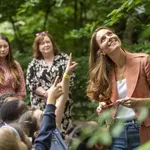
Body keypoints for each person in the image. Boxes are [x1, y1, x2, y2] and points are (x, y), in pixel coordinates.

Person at [87, 26, 150, 150]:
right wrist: (102, 107)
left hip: (142, 129)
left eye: (110, 34)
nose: (109, 38)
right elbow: (106, 104)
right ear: (102, 51)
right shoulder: (105, 74)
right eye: (103, 39)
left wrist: (138, 102)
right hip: (116, 133)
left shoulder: (144, 61)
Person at [0, 53, 77, 150]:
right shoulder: (41, 143)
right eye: (43, 118)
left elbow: (62, 98)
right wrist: (50, 100)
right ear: (37, 133)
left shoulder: (52, 129)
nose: (48, 117)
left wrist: (66, 75)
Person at [26, 31, 75, 138]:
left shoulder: (64, 59)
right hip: (41, 105)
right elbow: (31, 84)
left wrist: (54, 93)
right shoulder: (34, 63)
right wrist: (46, 94)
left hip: (61, 101)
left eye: (48, 42)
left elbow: (69, 79)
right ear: (38, 47)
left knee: (62, 132)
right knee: (43, 132)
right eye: (42, 43)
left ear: (53, 44)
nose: (46, 45)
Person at [0, 33, 26, 100]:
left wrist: (16, 101)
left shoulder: (15, 65)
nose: (3, 49)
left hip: (15, 102)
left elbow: (22, 90)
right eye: (0, 47)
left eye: (5, 46)